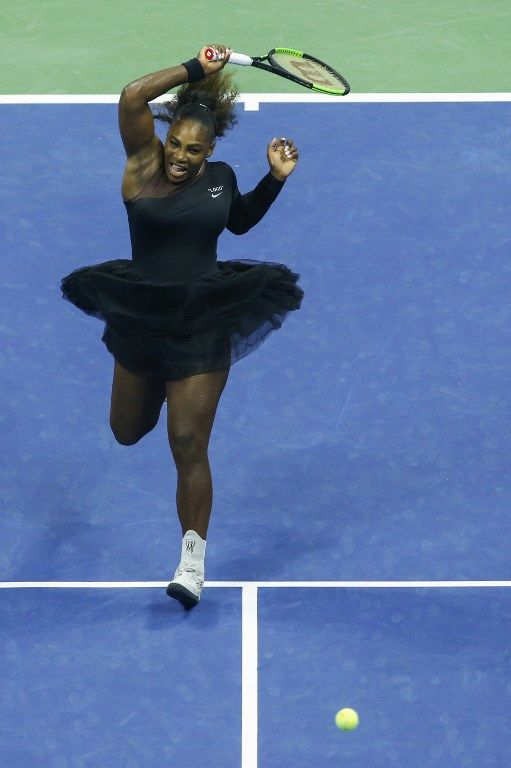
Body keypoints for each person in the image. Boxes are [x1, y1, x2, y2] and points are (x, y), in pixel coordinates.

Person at [60, 44, 304, 608]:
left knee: (188, 440)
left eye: (193, 150)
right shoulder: (142, 165)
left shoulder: (220, 177)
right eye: (176, 143)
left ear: (209, 150)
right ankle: (153, 397)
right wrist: (198, 67)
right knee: (127, 430)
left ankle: (191, 560)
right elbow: (131, 96)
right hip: (140, 315)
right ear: (164, 138)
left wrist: (275, 180)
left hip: (203, 318)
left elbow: (238, 223)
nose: (181, 157)